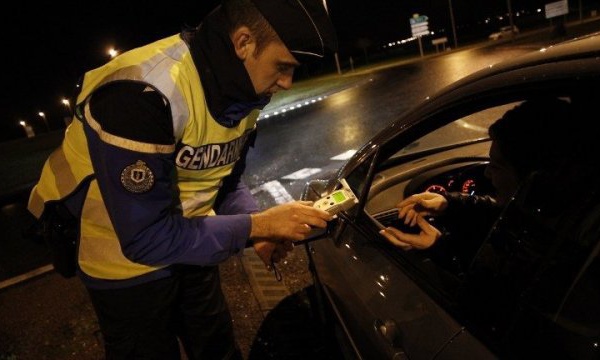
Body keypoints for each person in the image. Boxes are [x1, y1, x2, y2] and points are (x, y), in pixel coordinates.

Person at [27, 1, 337, 359]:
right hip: (124, 264)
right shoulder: (141, 93)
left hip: (191, 242)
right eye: (282, 67)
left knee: (217, 348)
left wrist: (261, 233)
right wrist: (255, 227)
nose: (286, 82)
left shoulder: (245, 88)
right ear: (244, 42)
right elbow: (146, 239)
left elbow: (224, 180)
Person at [379, 97, 574, 261]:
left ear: (536, 177)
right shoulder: (555, 215)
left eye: (497, 166)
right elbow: (502, 212)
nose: (487, 173)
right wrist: (448, 203)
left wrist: (438, 246)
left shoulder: (555, 250)